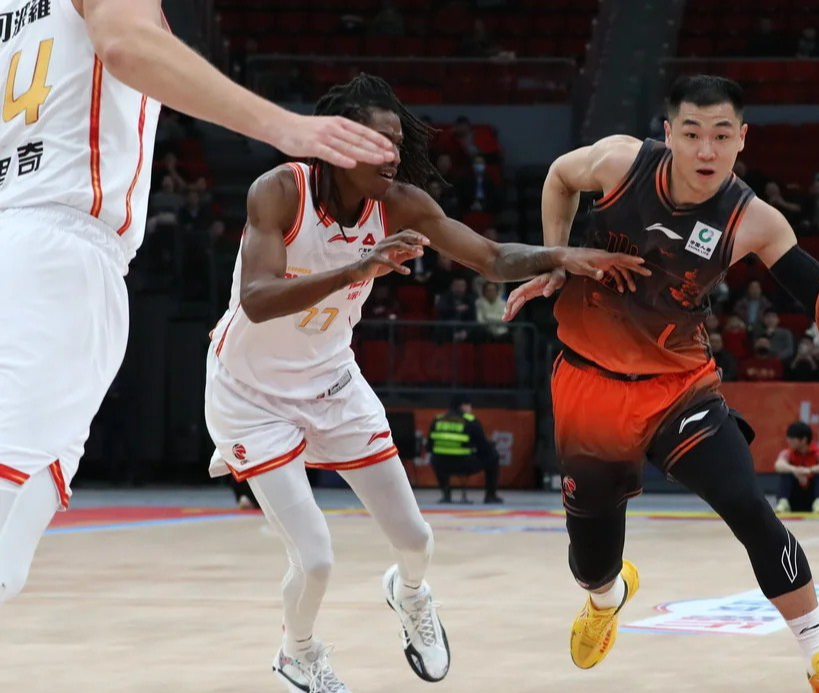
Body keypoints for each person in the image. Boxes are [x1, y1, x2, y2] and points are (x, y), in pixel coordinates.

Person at [203, 74, 647, 692]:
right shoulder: (280, 191)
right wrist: (358, 267)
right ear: (338, 142)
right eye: (377, 141)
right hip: (250, 394)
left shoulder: (400, 203)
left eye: (396, 141)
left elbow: (490, 257)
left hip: (332, 381)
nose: (392, 153)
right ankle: (297, 653)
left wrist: (562, 256)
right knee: (316, 558)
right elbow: (256, 299)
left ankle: (409, 593)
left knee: (415, 540)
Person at [0, 0, 402, 608]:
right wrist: (285, 128)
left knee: (15, 536)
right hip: (56, 250)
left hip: (25, 243)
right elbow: (127, 45)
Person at [503, 75, 819, 693]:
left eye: (720, 135)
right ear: (669, 134)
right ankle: (607, 598)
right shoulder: (618, 164)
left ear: (742, 139)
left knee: (749, 507)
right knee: (592, 562)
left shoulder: (755, 221)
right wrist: (555, 258)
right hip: (590, 383)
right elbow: (558, 176)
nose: (706, 150)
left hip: (679, 386)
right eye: (691, 134)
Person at [428, 395, 502, 504]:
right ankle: (490, 496)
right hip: (463, 464)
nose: (470, 408)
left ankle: (446, 495)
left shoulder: (438, 420)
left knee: (435, 457)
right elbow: (484, 448)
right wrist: (491, 445)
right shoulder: (470, 421)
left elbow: (429, 446)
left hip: (440, 464)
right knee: (493, 456)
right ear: (463, 406)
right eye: (469, 405)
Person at [773, 422, 819, 514]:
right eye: (788, 438)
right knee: (785, 472)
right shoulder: (788, 453)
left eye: (792, 439)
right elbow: (778, 465)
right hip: (794, 498)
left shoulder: (818, 452)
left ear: (803, 440)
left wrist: (809, 470)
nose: (788, 441)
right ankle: (783, 502)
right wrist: (795, 470)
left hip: (811, 497)